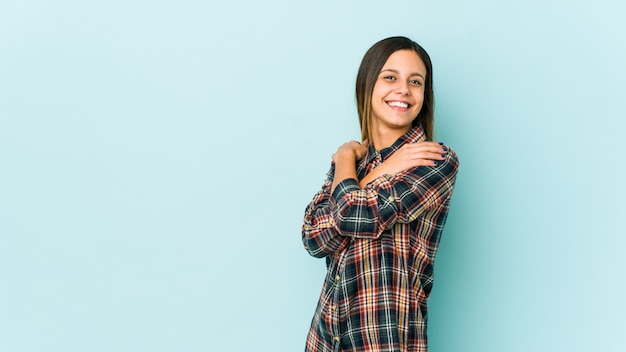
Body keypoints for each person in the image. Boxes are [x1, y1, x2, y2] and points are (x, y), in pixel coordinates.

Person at [301, 36, 459, 352]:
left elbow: (352, 214)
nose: (403, 89)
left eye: (415, 82)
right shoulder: (354, 163)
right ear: (368, 85)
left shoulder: (433, 159)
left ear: (424, 95)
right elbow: (313, 237)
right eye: (390, 77)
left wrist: (343, 160)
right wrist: (372, 168)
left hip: (384, 340)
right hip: (327, 339)